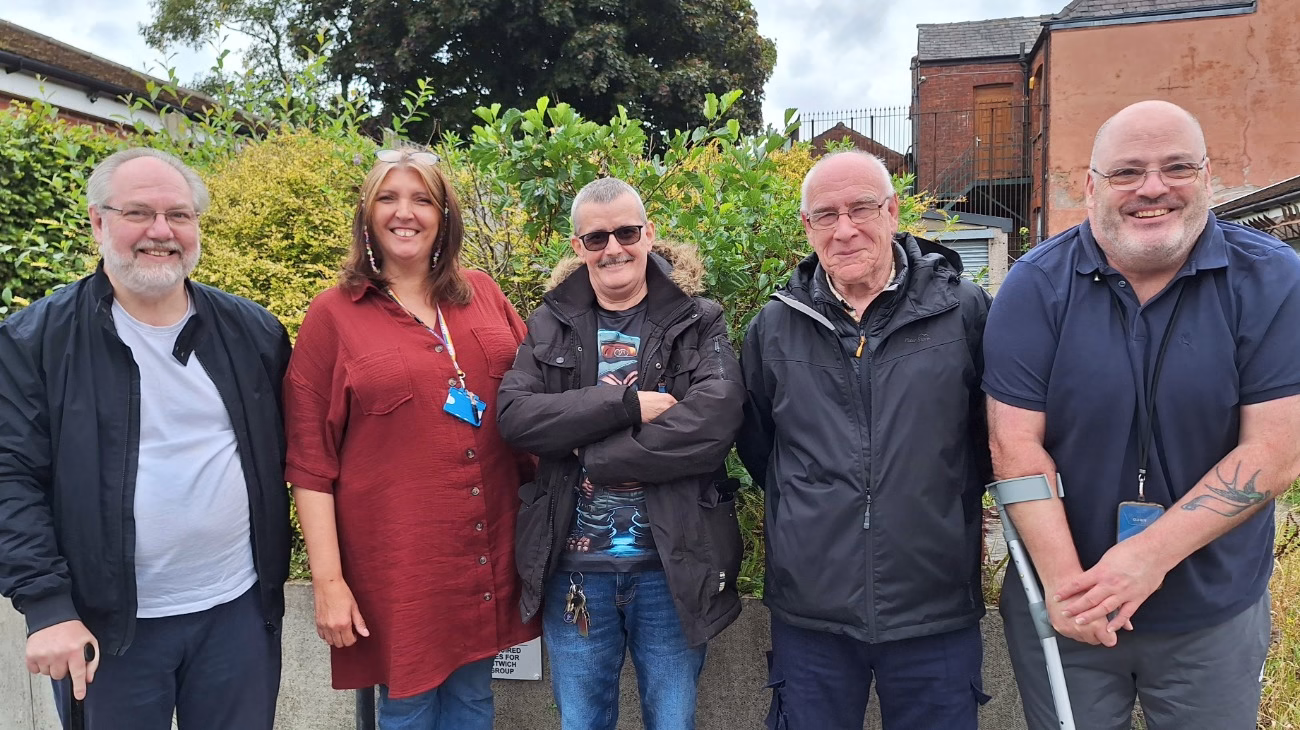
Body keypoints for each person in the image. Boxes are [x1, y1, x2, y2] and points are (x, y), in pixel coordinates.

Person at [983, 100, 1300, 729]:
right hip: (1065, 606)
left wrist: (1144, 558)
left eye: (1176, 167)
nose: (1152, 188)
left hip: (1212, 612)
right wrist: (1069, 590)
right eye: (1127, 172)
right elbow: (1013, 445)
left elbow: (1274, 452)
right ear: (1091, 186)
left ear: (1209, 176)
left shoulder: (1273, 281)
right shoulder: (1034, 286)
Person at [0, 148, 292, 729]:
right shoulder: (34, 341)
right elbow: (9, 474)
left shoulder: (252, 331)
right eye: (140, 213)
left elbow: (306, 453)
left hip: (238, 613)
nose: (161, 232)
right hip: (105, 628)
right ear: (98, 222)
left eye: (179, 215)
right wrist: (48, 606)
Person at [737, 149, 993, 729]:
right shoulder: (774, 326)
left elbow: (992, 441)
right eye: (826, 215)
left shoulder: (963, 311)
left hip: (934, 605)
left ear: (894, 211)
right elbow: (760, 447)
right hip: (812, 613)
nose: (845, 229)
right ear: (808, 228)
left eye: (861, 208)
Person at [282, 146, 536, 730]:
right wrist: (329, 583)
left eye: (423, 199)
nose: (406, 212)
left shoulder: (482, 294)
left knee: (474, 700)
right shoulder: (334, 315)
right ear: (367, 215)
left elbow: (538, 402)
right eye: (389, 198)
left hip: (485, 553)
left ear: (444, 215)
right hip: (400, 568)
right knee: (409, 707)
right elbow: (309, 463)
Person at [497, 177, 745, 730]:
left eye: (627, 232)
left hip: (672, 567)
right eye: (596, 238)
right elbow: (516, 416)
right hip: (575, 573)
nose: (614, 248)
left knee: (672, 722)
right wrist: (626, 407)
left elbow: (715, 421)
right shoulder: (549, 323)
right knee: (582, 723)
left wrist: (595, 455)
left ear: (649, 234)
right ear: (576, 246)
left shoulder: (698, 320)